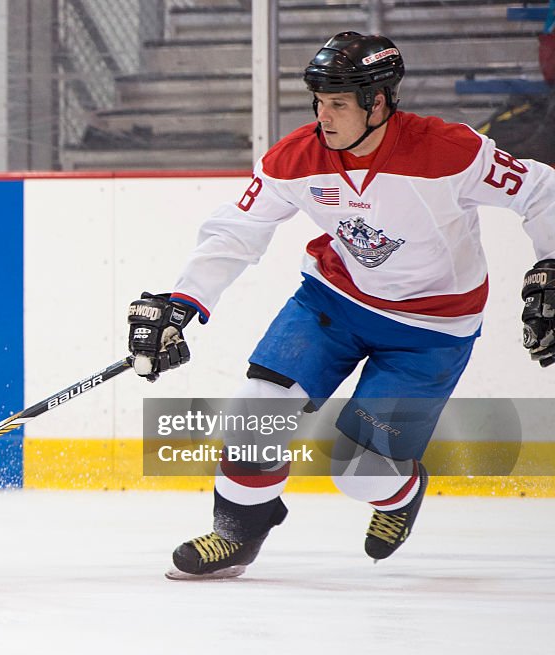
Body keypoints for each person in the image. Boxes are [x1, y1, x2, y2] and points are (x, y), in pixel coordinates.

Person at [127, 32, 555, 580]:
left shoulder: (450, 151)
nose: (323, 117)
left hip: (432, 329)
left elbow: (540, 190)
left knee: (358, 472)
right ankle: (236, 534)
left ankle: (398, 493)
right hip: (333, 303)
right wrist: (181, 301)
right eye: (319, 102)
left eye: (338, 104)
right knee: (256, 410)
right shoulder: (296, 158)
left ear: (378, 102)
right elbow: (235, 232)